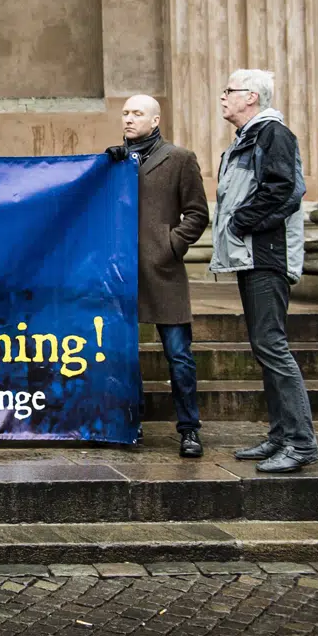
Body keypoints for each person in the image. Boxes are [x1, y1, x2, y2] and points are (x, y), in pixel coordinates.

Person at [209, 69, 317, 473]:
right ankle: (280, 435)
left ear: (251, 97)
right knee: (264, 346)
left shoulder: (273, 133)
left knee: (271, 345)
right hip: (252, 256)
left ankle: (301, 443)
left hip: (266, 256)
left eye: (230, 90)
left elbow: (286, 189)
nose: (223, 97)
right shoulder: (249, 137)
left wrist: (240, 223)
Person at [107, 94, 209, 458]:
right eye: (125, 113)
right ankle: (128, 423)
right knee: (122, 354)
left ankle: (189, 429)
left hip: (163, 271)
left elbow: (197, 214)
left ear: (155, 120)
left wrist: (170, 245)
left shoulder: (179, 158)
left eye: (137, 113)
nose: (128, 119)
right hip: (121, 273)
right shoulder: (114, 160)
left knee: (178, 355)